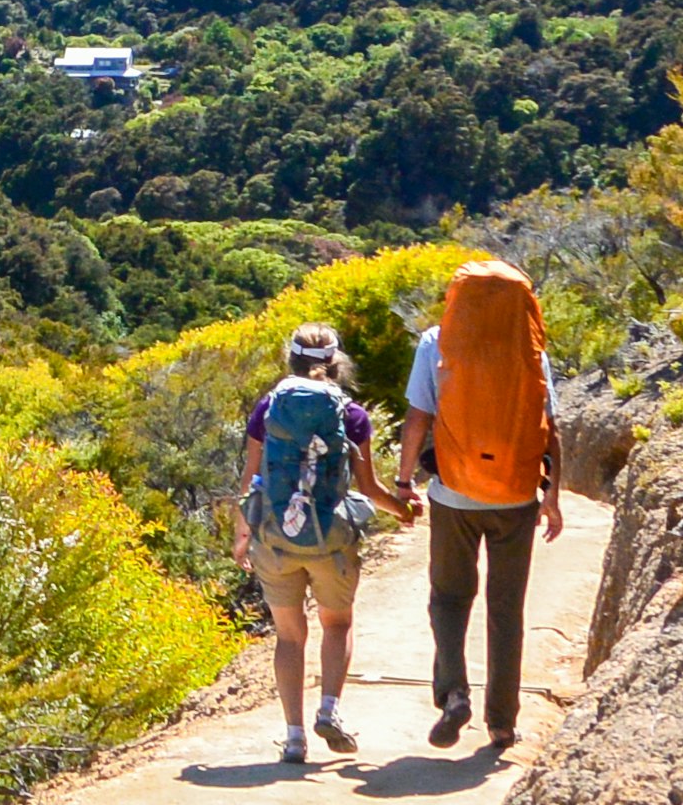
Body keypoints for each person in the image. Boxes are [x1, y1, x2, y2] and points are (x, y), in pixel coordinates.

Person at [231, 320, 418, 765]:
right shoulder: (352, 415)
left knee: (289, 636)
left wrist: (242, 534)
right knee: (337, 624)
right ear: (336, 364)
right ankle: (329, 710)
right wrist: (405, 511)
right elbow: (369, 489)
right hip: (330, 538)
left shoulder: (268, 408)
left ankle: (294, 738)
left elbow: (251, 477)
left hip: (276, 535)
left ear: (290, 359)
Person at [398, 258, 564, 750]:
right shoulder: (531, 348)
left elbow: (417, 419)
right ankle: (502, 721)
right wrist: (551, 495)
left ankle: (454, 694)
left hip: (454, 493)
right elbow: (549, 424)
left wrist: (405, 481)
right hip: (516, 493)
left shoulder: (436, 343)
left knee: (449, 597)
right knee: (506, 607)